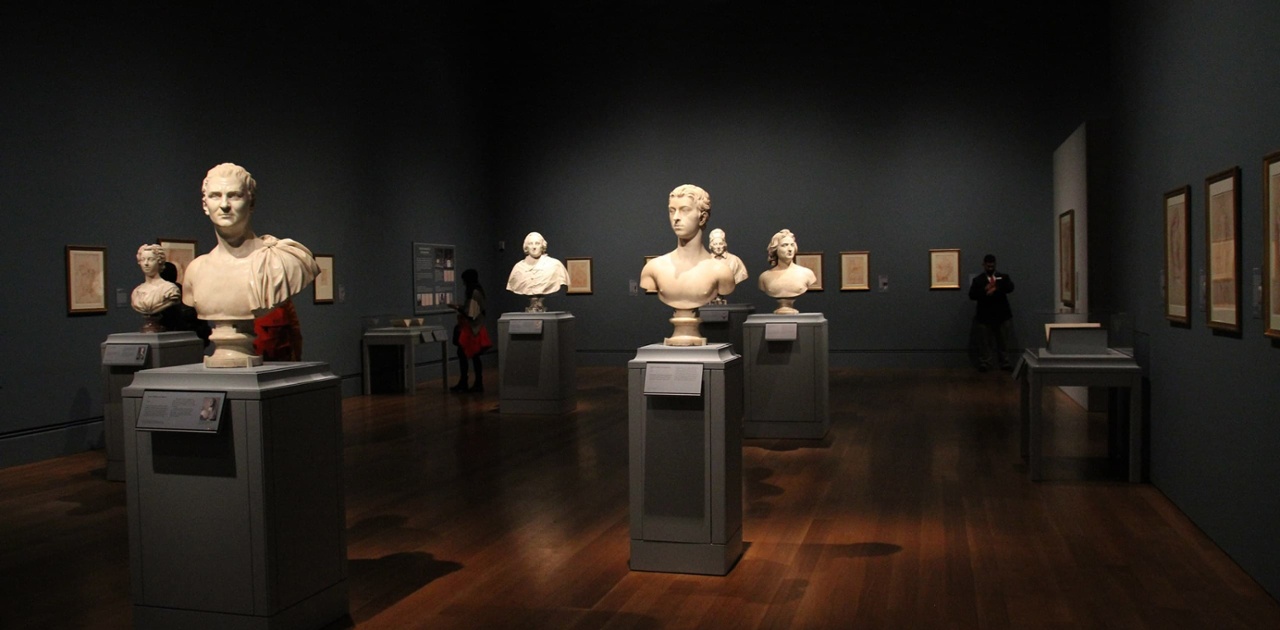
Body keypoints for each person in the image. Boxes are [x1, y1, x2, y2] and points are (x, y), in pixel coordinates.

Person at [182, 163, 320, 367]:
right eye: (215, 196)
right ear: (205, 205)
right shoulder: (196, 270)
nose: (224, 205)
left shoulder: (282, 260)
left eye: (234, 195)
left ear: (251, 202)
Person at [639, 184, 736, 345]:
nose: (676, 217)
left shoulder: (721, 271)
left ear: (702, 217)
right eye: (672, 210)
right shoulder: (653, 269)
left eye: (684, 210)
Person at [968, 254, 1015, 371]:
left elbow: (1010, 288)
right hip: (984, 316)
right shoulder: (978, 280)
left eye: (992, 265)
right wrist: (985, 290)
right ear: (983, 265)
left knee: (1003, 341)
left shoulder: (1003, 277)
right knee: (984, 342)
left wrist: (996, 288)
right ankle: (985, 363)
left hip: (1002, 315)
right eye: (988, 265)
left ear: (995, 265)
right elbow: (972, 295)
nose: (990, 267)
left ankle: (1005, 363)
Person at [506, 231, 569, 312]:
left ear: (542, 246)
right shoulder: (518, 268)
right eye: (531, 244)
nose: (534, 247)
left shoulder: (555, 265)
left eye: (537, 243)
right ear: (526, 247)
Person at [758, 229, 817, 314]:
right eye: (784, 245)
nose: (790, 249)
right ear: (775, 249)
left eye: (792, 245)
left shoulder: (807, 274)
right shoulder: (764, 277)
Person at [450, 269, 490, 392]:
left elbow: (471, 313)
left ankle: (467, 382)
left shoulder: (474, 292)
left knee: (466, 355)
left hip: (472, 329)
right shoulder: (477, 291)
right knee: (474, 356)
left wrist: (458, 307)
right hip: (475, 327)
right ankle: (476, 382)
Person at [130, 244, 182, 331]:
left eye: (151, 259)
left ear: (159, 262)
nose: (146, 263)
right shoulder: (136, 292)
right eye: (143, 260)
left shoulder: (170, 289)